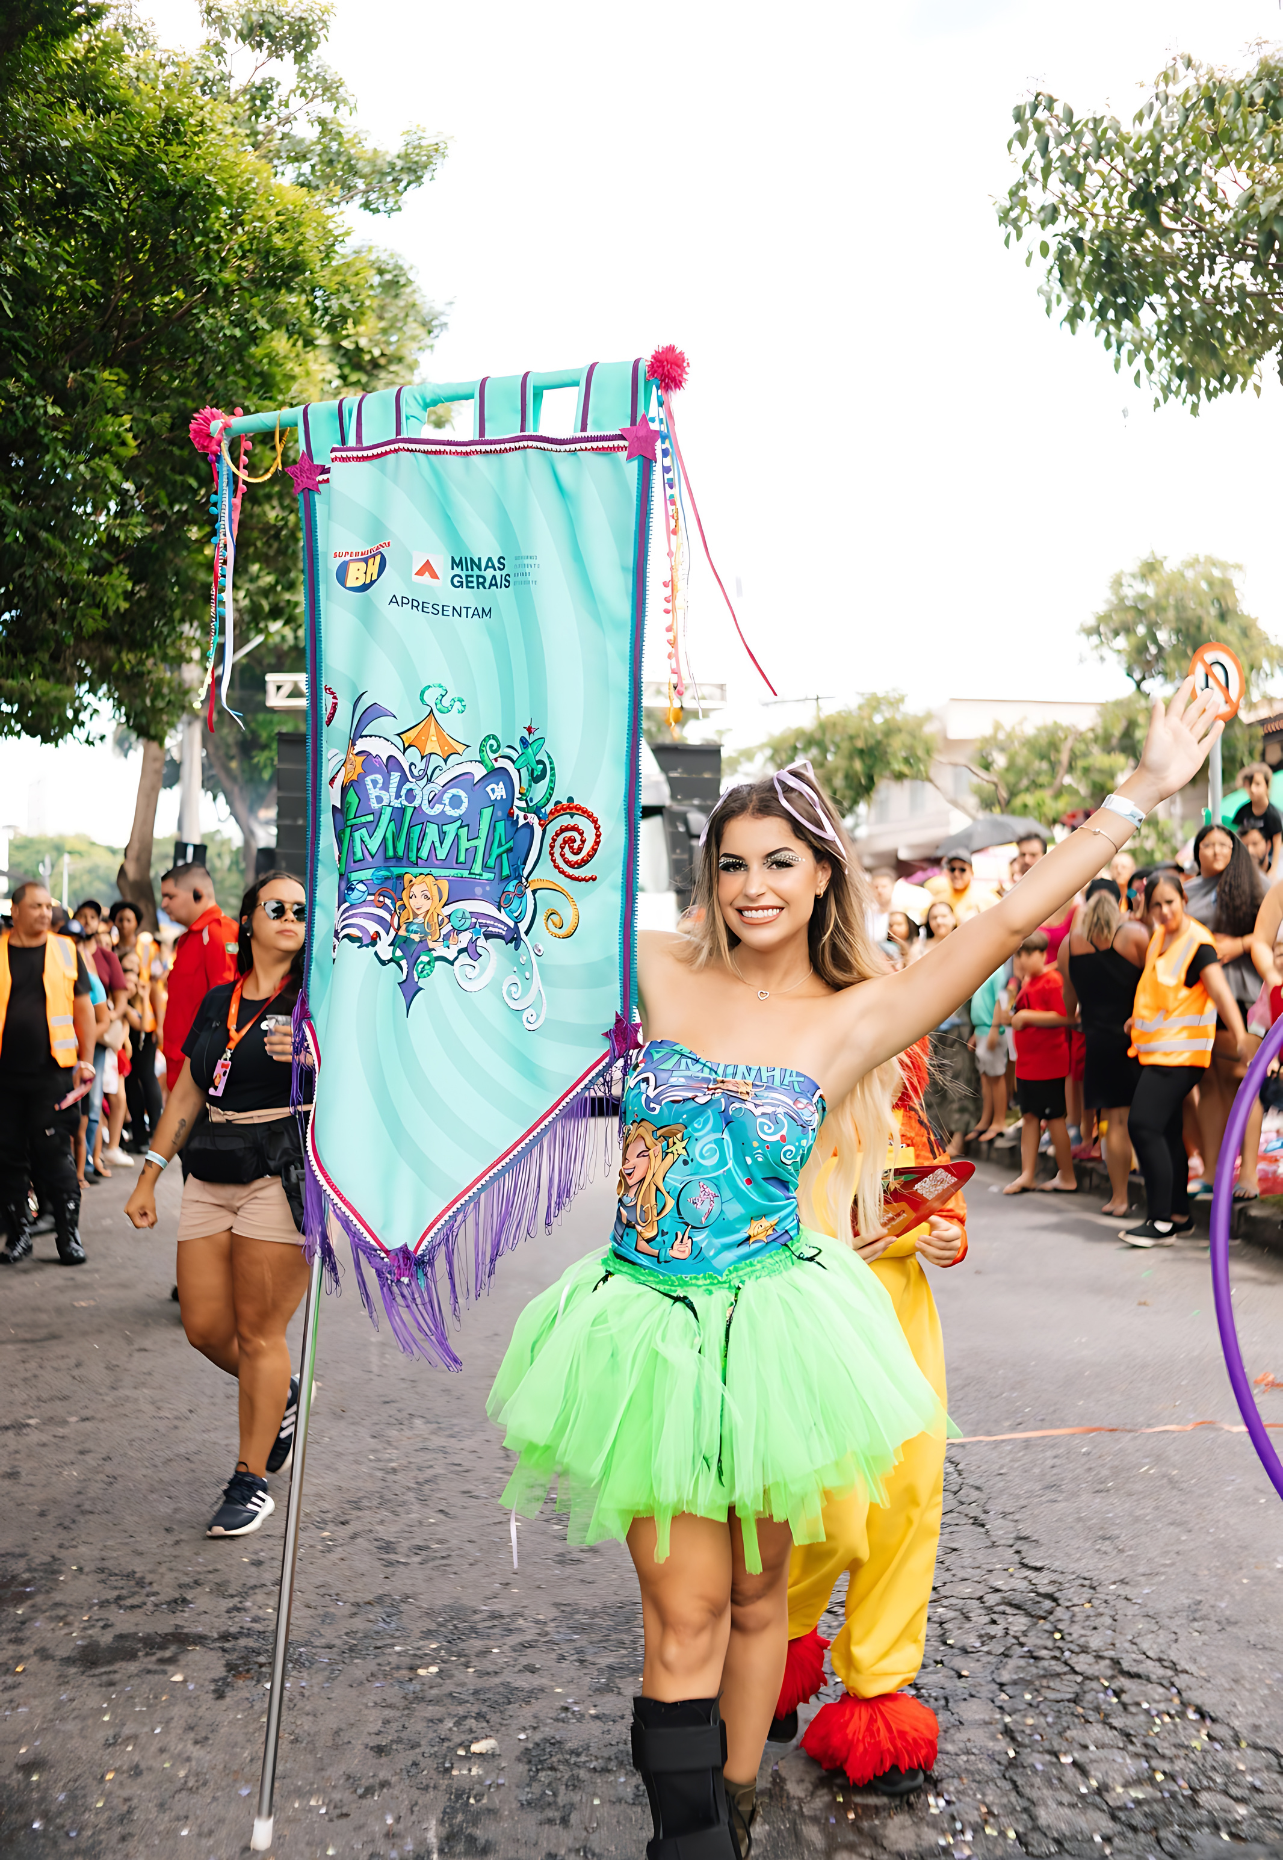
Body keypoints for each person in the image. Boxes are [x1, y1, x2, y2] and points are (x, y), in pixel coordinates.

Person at [487, 683, 1221, 1860]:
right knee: (679, 1616)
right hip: (647, 1337)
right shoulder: (655, 973)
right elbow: (502, 922)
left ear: (822, 874)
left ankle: (731, 1796)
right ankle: (688, 1842)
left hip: (777, 1338)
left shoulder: (853, 1017)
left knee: (755, 1606)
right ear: (707, 877)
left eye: (779, 861)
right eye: (730, 864)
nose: (753, 886)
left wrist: (1137, 791)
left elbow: (1002, 926)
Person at [770, 1040, 967, 1795]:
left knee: (907, 1506)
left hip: (905, 1326)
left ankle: (877, 1692)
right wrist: (826, 1243)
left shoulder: (906, 1110)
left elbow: (941, 1198)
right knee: (828, 1508)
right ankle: (777, 1649)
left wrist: (946, 1233)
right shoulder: (788, 1100)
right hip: (821, 1321)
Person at [124, 871, 311, 1537]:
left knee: (261, 1334)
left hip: (279, 1173)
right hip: (208, 1171)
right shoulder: (217, 1001)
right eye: (277, 907)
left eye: (300, 909)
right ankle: (280, 1392)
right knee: (204, 1327)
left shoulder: (320, 1004)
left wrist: (321, 1055)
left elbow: (376, 1077)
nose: (290, 915)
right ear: (250, 919)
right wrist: (149, 1173)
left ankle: (249, 1479)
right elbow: (186, 1090)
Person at [1121, 871, 1247, 1246]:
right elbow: (1159, 993)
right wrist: (1136, 1021)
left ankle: (1159, 1222)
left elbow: (1221, 993)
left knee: (1143, 1126)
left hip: (1181, 1056)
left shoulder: (1198, 943)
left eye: (1169, 903)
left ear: (1184, 901)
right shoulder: (1160, 937)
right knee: (1166, 1131)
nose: (1163, 911)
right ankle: (1177, 1215)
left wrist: (1241, 1039)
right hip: (1157, 1051)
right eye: (1156, 904)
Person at [0, 881, 97, 1264]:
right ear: (17, 910)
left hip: (53, 1072)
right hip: (5, 1076)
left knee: (55, 1152)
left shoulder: (66, 949)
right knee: (8, 1155)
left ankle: (67, 1235)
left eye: (47, 906)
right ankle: (18, 1234)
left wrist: (85, 1060)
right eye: (36, 906)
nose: (44, 912)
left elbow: (83, 1009)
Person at [1183, 823, 1265, 1194]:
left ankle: (1248, 1174)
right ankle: (1213, 1171)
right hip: (1198, 1001)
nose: (1216, 851)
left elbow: (1274, 935)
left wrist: (1242, 944)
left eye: (1224, 845)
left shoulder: (1256, 884)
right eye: (1208, 845)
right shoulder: (1184, 892)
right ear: (1197, 851)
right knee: (1210, 1083)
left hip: (1243, 997)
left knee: (1242, 1082)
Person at [1059, 878, 1147, 1217]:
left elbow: (1070, 1002)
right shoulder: (1134, 935)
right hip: (1135, 1039)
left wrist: (1070, 1019)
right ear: (1119, 900)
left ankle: (1119, 1197)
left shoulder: (1070, 944)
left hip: (1097, 1040)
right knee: (1145, 1119)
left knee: (1112, 1122)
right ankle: (1148, 1195)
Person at [1003, 930, 1077, 1195]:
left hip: (1048, 1063)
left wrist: (1027, 1015)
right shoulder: (1027, 982)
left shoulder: (1052, 981)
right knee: (1030, 1117)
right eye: (1017, 955)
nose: (1020, 960)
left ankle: (1067, 1175)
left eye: (1025, 954)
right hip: (1028, 1064)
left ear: (1041, 954)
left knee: (1055, 1118)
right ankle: (1027, 1174)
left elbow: (1066, 1017)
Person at [158, 864, 239, 1092]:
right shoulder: (191, 937)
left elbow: (225, 1006)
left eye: (170, 896)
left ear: (198, 894)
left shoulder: (217, 933)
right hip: (181, 1062)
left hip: (198, 1067)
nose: (163, 904)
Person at [920, 900, 980, 1157]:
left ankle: (958, 1137)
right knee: (932, 1084)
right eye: (934, 917)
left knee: (958, 1081)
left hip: (958, 1025)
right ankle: (937, 1136)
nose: (939, 921)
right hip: (930, 1025)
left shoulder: (965, 943)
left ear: (953, 919)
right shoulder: (921, 948)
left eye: (944, 916)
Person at [110, 899, 165, 1152]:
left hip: (145, 1021)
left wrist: (160, 1025)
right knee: (129, 1077)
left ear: (136, 923)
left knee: (146, 1074)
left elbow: (155, 989)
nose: (123, 924)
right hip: (121, 1022)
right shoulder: (109, 950)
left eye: (128, 919)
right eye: (120, 919)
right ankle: (139, 1136)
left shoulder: (148, 950)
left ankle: (157, 1131)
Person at [968, 962, 1011, 1141]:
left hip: (991, 1029)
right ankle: (986, 1119)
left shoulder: (999, 971)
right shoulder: (983, 969)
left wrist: (995, 1027)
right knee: (986, 1078)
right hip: (981, 1029)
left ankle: (999, 1120)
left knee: (996, 1076)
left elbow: (1001, 1001)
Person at [1233, 762, 1283, 870]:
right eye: (1249, 784)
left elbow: (1277, 840)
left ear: (1266, 785)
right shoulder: (1243, 811)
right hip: (1247, 860)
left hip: (1269, 860)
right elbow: (1235, 834)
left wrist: (1273, 869)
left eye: (1257, 784)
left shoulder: (1273, 814)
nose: (1252, 789)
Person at [924, 849, 996, 922]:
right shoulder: (940, 900)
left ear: (972, 872)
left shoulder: (985, 898)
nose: (956, 874)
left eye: (962, 870)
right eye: (952, 869)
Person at [866, 868, 895, 943]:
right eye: (876, 887)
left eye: (884, 886)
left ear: (892, 887)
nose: (879, 890)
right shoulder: (864, 913)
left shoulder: (900, 912)